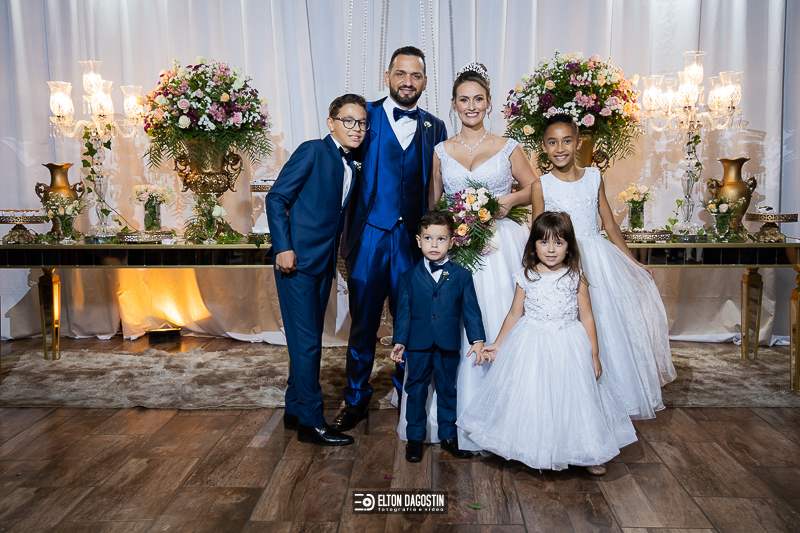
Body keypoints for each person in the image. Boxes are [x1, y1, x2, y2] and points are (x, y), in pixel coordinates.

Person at [395, 62, 538, 451]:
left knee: (495, 316)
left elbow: (535, 188)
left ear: (488, 103)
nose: (471, 106)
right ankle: (448, 422)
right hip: (457, 247)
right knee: (447, 324)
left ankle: (502, 415)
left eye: (478, 99)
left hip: (499, 246)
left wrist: (509, 199)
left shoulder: (508, 146)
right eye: (463, 100)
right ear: (454, 104)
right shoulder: (441, 151)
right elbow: (434, 205)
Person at [457, 212, 637, 473]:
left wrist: (594, 354)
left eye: (558, 243)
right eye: (544, 242)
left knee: (577, 398)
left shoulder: (576, 276)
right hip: (532, 341)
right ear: (534, 245)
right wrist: (498, 342)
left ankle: (588, 452)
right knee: (533, 395)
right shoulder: (526, 276)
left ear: (569, 247)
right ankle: (530, 448)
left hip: (568, 342)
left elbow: (587, 316)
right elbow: (514, 314)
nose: (551, 249)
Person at [531, 113, 676, 420]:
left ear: (578, 142)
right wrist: (534, 272)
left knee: (607, 324)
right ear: (543, 147)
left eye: (567, 141)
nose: (560, 148)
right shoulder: (540, 185)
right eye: (553, 142)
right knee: (570, 326)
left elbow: (609, 223)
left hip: (597, 259)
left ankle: (613, 399)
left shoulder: (594, 176)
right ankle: (572, 399)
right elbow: (537, 234)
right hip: (562, 262)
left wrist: (633, 261)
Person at [334, 46, 448, 432]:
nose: (407, 82)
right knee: (363, 324)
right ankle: (355, 400)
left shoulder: (435, 127)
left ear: (425, 82)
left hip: (412, 243)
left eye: (415, 75)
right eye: (401, 74)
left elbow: (437, 186)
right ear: (387, 77)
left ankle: (407, 398)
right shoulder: (363, 115)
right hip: (368, 236)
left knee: (410, 324)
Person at [266, 94, 368, 446]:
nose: (357, 128)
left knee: (305, 341)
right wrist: (283, 247)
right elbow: (276, 197)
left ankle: (295, 409)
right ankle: (311, 422)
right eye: (348, 121)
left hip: (322, 263)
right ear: (331, 123)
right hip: (296, 262)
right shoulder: (313, 150)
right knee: (308, 343)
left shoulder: (351, 163)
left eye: (362, 123)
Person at [390, 210, 486, 462]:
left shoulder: (462, 276)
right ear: (418, 241)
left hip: (447, 344)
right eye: (428, 238)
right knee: (416, 391)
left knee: (447, 390)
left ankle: (449, 437)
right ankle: (415, 438)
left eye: (441, 239)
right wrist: (399, 342)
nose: (434, 245)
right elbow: (403, 313)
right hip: (418, 344)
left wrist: (477, 340)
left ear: (451, 242)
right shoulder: (408, 277)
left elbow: (471, 311)